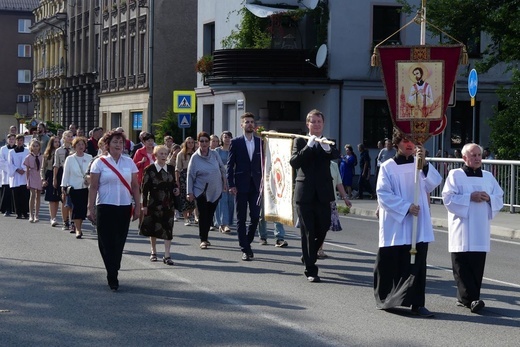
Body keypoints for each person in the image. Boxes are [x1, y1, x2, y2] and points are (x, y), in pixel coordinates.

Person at [374, 129, 442, 317]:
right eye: (405, 141)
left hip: (418, 222)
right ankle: (387, 298)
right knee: (392, 260)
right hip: (397, 223)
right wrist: (405, 207)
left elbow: (433, 183)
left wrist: (425, 164)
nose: (409, 144)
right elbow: (383, 193)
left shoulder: (419, 164)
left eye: (412, 141)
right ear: (397, 143)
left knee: (418, 263)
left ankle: (417, 303)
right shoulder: (388, 166)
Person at [442, 143, 504, 313]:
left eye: (479, 155)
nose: (477, 158)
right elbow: (447, 198)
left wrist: (489, 198)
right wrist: (470, 197)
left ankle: (471, 298)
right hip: (462, 225)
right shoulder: (455, 175)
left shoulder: (488, 176)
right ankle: (470, 300)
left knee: (477, 264)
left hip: (480, 226)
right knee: (461, 264)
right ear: (464, 158)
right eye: (473, 155)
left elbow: (499, 196)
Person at [290, 109, 340, 282]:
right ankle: (311, 269)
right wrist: (309, 147)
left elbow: (336, 155)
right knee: (308, 231)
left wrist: (326, 149)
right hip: (305, 193)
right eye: (313, 122)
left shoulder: (329, 141)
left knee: (324, 226)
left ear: (323, 124)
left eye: (319, 122)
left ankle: (309, 254)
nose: (317, 125)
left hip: (324, 193)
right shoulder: (301, 141)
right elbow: (295, 162)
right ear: (308, 124)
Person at [88, 130, 140, 291]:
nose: (118, 145)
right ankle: (112, 273)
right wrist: (90, 208)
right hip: (105, 205)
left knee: (119, 240)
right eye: (115, 142)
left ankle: (113, 267)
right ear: (107, 145)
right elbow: (94, 186)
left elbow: (135, 186)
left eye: (120, 142)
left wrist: (138, 205)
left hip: (124, 206)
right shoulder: (99, 162)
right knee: (105, 242)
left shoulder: (129, 162)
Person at [227, 113, 263, 261]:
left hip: (256, 185)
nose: (249, 124)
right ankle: (245, 248)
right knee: (241, 218)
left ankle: (247, 242)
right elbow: (230, 165)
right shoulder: (236, 142)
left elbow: (264, 163)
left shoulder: (260, 142)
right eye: (246, 122)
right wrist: (231, 184)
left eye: (251, 122)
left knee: (255, 216)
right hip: (241, 185)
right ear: (241, 125)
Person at [140, 145, 180, 265]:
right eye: (161, 154)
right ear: (155, 155)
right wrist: (144, 205)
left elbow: (174, 184)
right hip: (153, 202)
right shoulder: (149, 169)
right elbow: (144, 189)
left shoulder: (171, 169)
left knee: (168, 228)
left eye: (165, 154)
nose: (163, 156)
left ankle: (167, 255)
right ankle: (153, 251)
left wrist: (176, 190)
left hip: (168, 203)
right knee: (153, 228)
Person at [187, 132, 226, 249]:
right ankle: (203, 239)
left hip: (216, 189)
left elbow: (222, 169)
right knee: (203, 215)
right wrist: (189, 192)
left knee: (210, 215)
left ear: (209, 143)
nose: (204, 143)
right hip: (201, 191)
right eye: (201, 141)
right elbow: (190, 175)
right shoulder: (195, 157)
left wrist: (225, 184)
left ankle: (206, 235)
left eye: (206, 141)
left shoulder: (214, 154)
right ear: (198, 143)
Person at [317, 160, 352, 258]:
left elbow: (339, 183)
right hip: (316, 200)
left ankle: (319, 249)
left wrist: (345, 198)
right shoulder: (315, 162)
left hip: (330, 200)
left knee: (324, 226)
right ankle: (313, 248)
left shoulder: (334, 165)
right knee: (315, 226)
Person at [61, 137, 92, 239]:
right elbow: (66, 174)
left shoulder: (89, 157)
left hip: (86, 187)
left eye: (82, 144)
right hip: (74, 187)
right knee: (76, 208)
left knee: (83, 209)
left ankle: (79, 225)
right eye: (78, 145)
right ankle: (78, 229)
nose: (81, 146)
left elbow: (92, 172)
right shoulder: (70, 159)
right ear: (74, 146)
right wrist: (63, 186)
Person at [54, 130, 74, 230]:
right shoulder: (58, 151)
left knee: (72, 199)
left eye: (71, 136)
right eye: (68, 136)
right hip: (62, 173)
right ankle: (65, 221)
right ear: (64, 137)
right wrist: (54, 179)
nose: (70, 138)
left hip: (72, 174)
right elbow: (56, 166)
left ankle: (72, 221)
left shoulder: (74, 149)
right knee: (64, 199)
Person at [214, 131, 234, 233]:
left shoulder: (234, 150)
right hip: (220, 178)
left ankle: (227, 222)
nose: (227, 139)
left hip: (232, 178)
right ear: (222, 139)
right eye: (225, 137)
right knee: (222, 201)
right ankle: (223, 223)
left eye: (228, 137)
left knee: (230, 201)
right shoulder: (217, 151)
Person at [41, 136, 62, 226]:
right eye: (55, 142)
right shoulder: (47, 154)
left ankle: (56, 216)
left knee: (57, 199)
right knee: (51, 199)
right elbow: (43, 168)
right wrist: (43, 179)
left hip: (60, 173)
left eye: (58, 142)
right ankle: (53, 218)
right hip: (50, 174)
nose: (57, 143)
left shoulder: (62, 152)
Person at [8, 134, 30, 219]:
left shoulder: (27, 151)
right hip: (16, 176)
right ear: (16, 142)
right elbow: (10, 164)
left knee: (24, 195)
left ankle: (25, 212)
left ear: (23, 141)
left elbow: (28, 162)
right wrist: (17, 169)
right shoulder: (11, 152)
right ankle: (18, 212)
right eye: (18, 140)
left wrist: (24, 169)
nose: (19, 142)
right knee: (16, 195)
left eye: (21, 140)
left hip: (24, 175)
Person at [176, 137, 196, 225]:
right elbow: (177, 168)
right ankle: (185, 218)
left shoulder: (196, 153)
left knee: (194, 196)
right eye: (189, 142)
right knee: (184, 196)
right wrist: (177, 181)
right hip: (184, 175)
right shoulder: (181, 154)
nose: (190, 144)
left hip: (195, 175)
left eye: (192, 142)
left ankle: (191, 213)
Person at [24, 139, 44, 222]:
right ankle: (31, 215)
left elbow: (44, 168)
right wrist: (27, 181)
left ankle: (37, 215)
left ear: (39, 147)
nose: (35, 148)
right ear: (31, 147)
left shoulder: (42, 156)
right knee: (32, 195)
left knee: (38, 196)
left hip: (39, 176)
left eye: (37, 146)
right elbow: (27, 170)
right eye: (33, 146)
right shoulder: (28, 157)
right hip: (32, 176)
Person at [0, 134, 16, 216]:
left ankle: (16, 209)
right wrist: (10, 169)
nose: (11, 140)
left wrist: (14, 169)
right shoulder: (3, 149)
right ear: (7, 140)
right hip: (6, 174)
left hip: (16, 174)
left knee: (15, 192)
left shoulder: (17, 149)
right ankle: (7, 209)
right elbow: (1, 161)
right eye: (10, 139)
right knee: (6, 192)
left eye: (13, 139)